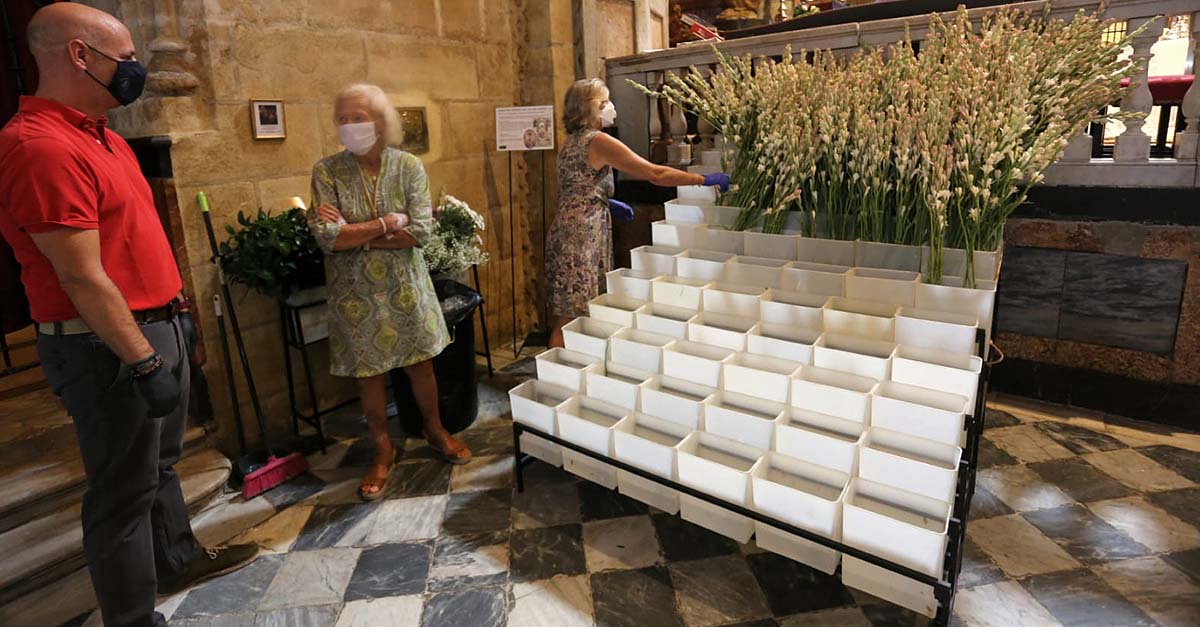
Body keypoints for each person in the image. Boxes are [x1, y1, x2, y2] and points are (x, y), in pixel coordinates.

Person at [0, 5, 257, 626]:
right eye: (127, 58)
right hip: (107, 345)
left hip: (156, 324)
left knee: (158, 468)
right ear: (79, 55)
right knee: (121, 493)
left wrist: (178, 315)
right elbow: (80, 275)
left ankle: (177, 558)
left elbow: (134, 242)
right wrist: (143, 361)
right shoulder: (39, 146)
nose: (135, 69)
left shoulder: (105, 135)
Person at [308, 83, 472, 501]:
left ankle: (434, 429)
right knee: (369, 375)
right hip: (355, 295)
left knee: (421, 365)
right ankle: (382, 448)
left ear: (380, 123)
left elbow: (420, 231)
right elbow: (328, 237)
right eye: (342, 119)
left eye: (358, 117)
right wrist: (386, 223)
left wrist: (355, 234)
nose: (349, 125)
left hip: (405, 287)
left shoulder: (408, 166)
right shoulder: (327, 171)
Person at [546, 78, 730, 348]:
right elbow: (654, 174)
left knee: (577, 310)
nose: (611, 107)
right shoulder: (598, 141)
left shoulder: (570, 143)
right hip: (583, 234)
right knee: (572, 316)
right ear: (590, 108)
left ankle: (569, 364)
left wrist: (606, 202)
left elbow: (578, 186)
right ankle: (557, 368)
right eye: (604, 102)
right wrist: (702, 179)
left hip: (569, 226)